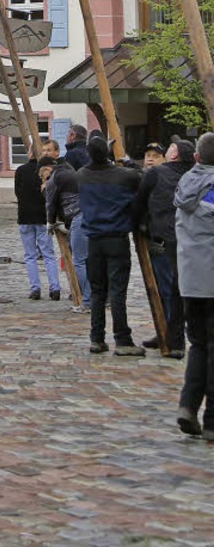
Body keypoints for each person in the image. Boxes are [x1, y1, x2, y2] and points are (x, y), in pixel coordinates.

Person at [77, 132, 144, 356]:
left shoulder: (82, 175)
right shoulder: (124, 176)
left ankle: (97, 338)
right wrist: (124, 158)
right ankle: (122, 340)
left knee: (97, 292)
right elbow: (141, 176)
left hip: (94, 240)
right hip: (116, 238)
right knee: (117, 292)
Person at [132, 136, 195, 357]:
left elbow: (139, 201)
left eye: (170, 148)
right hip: (190, 240)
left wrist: (136, 226)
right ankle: (168, 331)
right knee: (178, 290)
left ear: (175, 154)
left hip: (164, 239)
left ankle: (171, 336)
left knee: (167, 290)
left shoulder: (157, 174)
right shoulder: (192, 174)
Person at [174, 131, 214, 441]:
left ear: (196, 157)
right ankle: (212, 418)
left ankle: (188, 405)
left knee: (199, 345)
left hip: (190, 279)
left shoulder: (186, 182)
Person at [40, 154, 91, 311]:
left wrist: (50, 223)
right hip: (90, 214)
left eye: (42, 176)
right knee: (87, 260)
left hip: (79, 217)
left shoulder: (54, 178)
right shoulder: (69, 171)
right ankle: (91, 298)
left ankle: (88, 301)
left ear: (47, 169)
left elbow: (51, 204)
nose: (44, 180)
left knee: (79, 261)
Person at [14, 148, 61, 301]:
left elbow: (18, 192)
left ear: (29, 154)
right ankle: (54, 288)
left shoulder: (21, 170)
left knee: (30, 255)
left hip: (25, 216)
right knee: (48, 255)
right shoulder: (47, 171)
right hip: (42, 216)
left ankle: (35, 288)